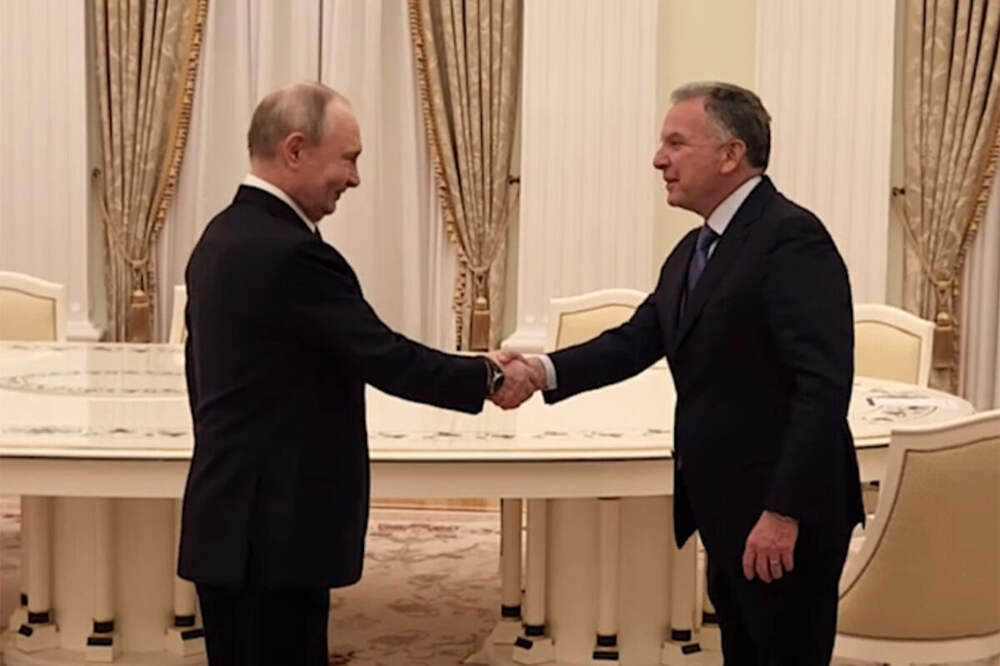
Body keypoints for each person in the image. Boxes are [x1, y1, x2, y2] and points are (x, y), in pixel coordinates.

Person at [178, 81, 543, 666]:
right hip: (274, 529)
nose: (354, 178)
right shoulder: (289, 252)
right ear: (295, 149)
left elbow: (199, 375)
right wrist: (486, 377)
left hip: (232, 517)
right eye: (348, 159)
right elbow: (382, 355)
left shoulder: (221, 236)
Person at [523, 82, 864, 664]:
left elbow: (822, 388)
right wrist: (540, 370)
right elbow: (635, 341)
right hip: (727, 509)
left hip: (782, 517)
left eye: (676, 143)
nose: (659, 159)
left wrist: (783, 512)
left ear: (731, 154)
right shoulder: (694, 249)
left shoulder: (791, 238)